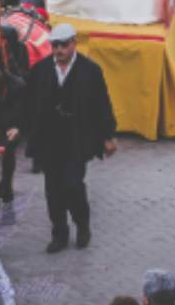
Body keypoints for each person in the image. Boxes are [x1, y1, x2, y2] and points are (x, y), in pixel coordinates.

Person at [12, 23, 116, 253]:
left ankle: (82, 225)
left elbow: (102, 105)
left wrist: (107, 136)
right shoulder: (40, 70)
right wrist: (19, 127)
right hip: (50, 141)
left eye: (63, 45)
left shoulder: (91, 71)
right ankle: (59, 232)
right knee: (53, 190)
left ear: (73, 44)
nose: (58, 50)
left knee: (73, 185)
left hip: (77, 139)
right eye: (54, 45)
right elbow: (27, 103)